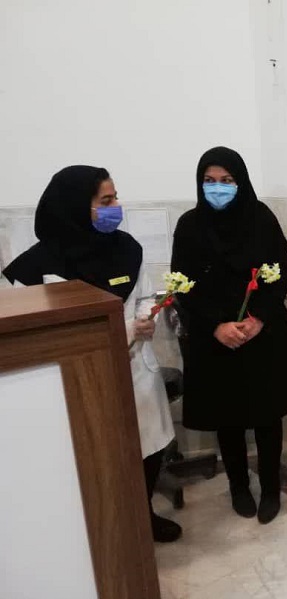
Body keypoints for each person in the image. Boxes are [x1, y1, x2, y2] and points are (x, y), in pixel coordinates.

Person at [3, 166, 181, 542]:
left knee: (147, 448)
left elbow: (144, 295)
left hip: (136, 372)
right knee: (95, 458)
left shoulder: (127, 249)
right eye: (106, 200)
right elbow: (35, 335)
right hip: (77, 380)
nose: (116, 206)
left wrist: (144, 318)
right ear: (74, 206)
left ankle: (143, 515)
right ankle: (107, 531)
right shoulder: (33, 269)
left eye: (115, 197)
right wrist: (127, 329)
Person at [170, 147, 287, 524]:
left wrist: (258, 317)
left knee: (267, 416)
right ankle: (239, 487)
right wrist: (217, 325)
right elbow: (183, 284)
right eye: (209, 181)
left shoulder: (261, 218)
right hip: (215, 337)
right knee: (227, 418)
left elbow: (281, 268)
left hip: (261, 333)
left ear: (241, 182)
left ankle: (271, 489)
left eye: (226, 181)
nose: (217, 188)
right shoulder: (189, 226)